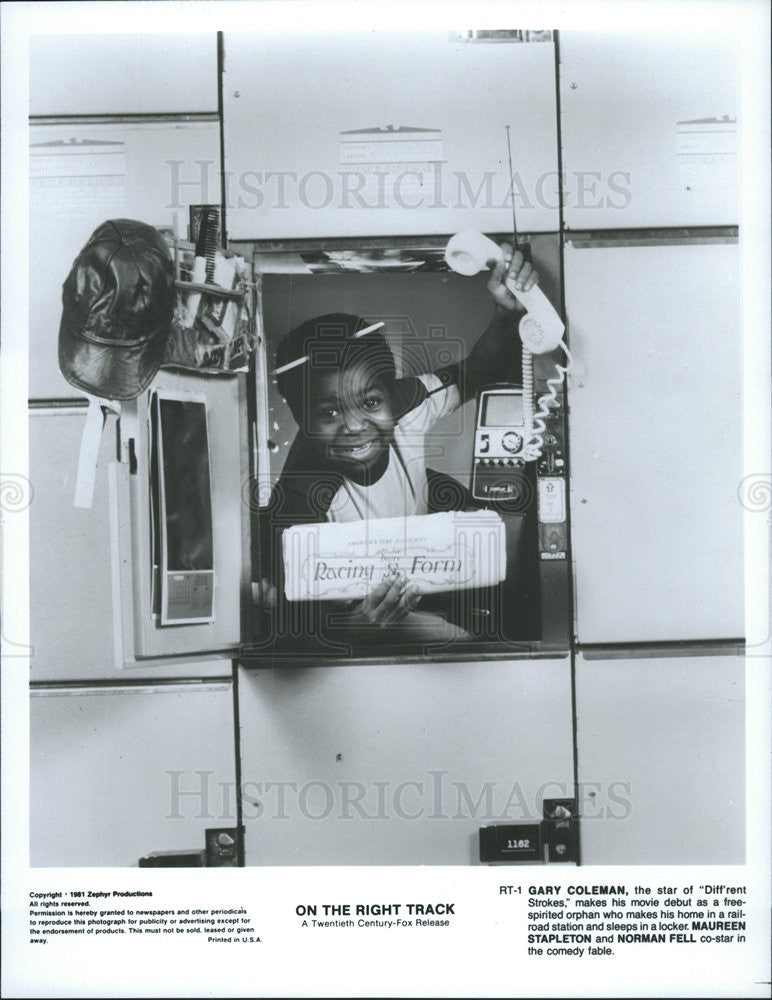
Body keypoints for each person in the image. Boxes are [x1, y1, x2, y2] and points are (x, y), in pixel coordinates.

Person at [256, 245, 539, 646]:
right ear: (302, 422)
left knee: (471, 505)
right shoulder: (302, 500)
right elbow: (291, 633)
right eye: (329, 414)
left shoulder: (409, 401)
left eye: (370, 403)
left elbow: (480, 369)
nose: (355, 426)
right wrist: (355, 626)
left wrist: (508, 311)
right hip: (363, 618)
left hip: (425, 573)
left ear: (391, 395)